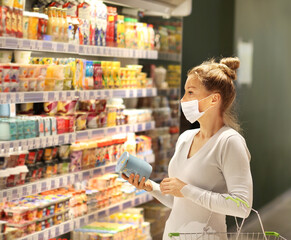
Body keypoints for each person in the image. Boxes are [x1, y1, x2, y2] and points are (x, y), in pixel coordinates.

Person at [122, 57, 253, 240]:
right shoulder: (185, 138)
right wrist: (150, 186)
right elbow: (180, 202)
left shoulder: (229, 142)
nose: (183, 100)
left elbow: (242, 206)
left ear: (214, 99)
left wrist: (185, 189)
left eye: (190, 93)